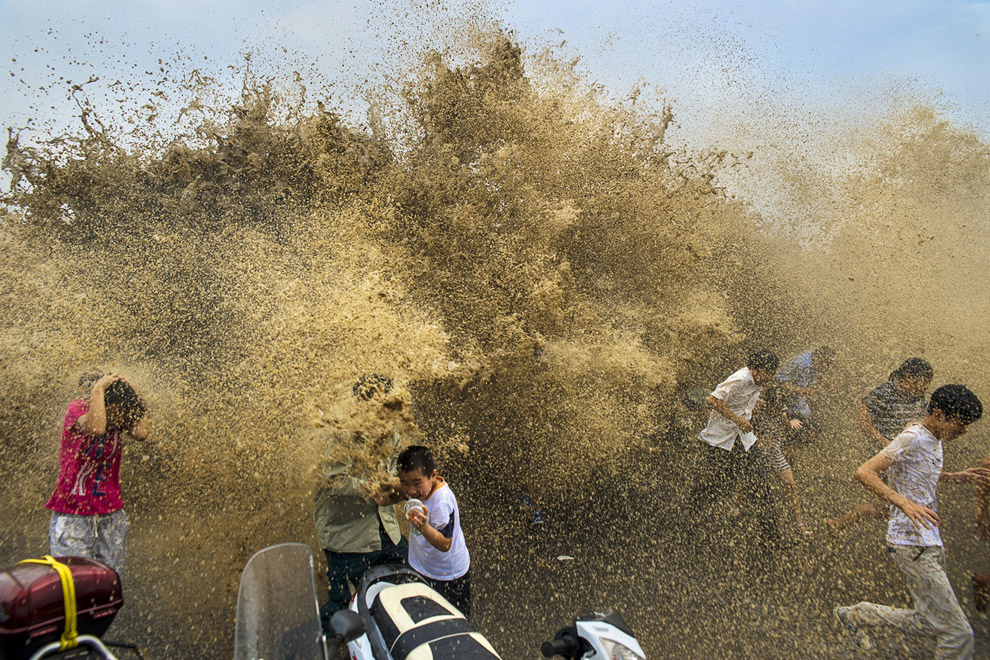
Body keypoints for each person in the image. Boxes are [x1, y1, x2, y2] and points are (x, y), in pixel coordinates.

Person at [834, 384, 989, 659]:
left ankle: (859, 615)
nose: (963, 432)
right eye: (960, 424)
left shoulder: (933, 438)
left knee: (930, 621)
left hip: (928, 542)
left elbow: (917, 471)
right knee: (958, 634)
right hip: (912, 543)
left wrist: (954, 476)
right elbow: (865, 471)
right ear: (940, 415)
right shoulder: (913, 436)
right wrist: (904, 503)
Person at [314, 375, 407, 633]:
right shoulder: (338, 436)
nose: (389, 414)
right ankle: (311, 644)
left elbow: (397, 463)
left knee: (405, 581)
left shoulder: (390, 432)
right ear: (365, 407)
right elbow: (332, 481)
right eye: (383, 408)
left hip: (386, 531)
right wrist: (374, 489)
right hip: (350, 539)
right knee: (345, 605)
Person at [45, 373, 149, 576]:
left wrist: (136, 397)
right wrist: (98, 389)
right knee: (73, 580)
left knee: (110, 580)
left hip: (110, 512)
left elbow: (141, 433)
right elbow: (96, 428)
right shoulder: (77, 410)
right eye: (118, 409)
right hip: (73, 512)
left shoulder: (119, 420)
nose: (121, 416)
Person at [824, 358, 933, 537]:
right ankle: (839, 524)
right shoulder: (884, 393)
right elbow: (862, 421)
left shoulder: (918, 397)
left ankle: (839, 524)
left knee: (892, 504)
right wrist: (886, 443)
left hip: (906, 457)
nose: (926, 387)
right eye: (924, 382)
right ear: (909, 377)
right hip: (885, 457)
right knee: (886, 505)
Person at [689, 349, 782, 550]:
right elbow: (712, 400)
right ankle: (694, 503)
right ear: (755, 370)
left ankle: (771, 538)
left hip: (744, 440)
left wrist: (753, 408)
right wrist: (738, 419)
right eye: (768, 373)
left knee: (761, 484)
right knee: (720, 484)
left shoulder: (757, 382)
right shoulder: (739, 379)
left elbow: (745, 400)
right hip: (721, 440)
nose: (770, 378)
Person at [397, 445, 472, 616]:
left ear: (432, 475)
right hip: (421, 566)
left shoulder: (441, 502)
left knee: (455, 618)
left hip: (447, 575)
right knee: (426, 613)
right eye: (404, 483)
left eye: (417, 483)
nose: (411, 491)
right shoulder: (416, 491)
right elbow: (391, 495)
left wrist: (423, 527)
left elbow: (445, 544)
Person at [751, 382, 813, 540]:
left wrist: (790, 422)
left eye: (781, 405)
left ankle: (799, 524)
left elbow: (785, 423)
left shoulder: (782, 410)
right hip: (759, 453)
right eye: (777, 406)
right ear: (769, 402)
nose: (779, 409)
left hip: (776, 453)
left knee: (791, 485)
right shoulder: (758, 408)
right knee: (751, 485)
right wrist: (759, 440)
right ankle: (736, 502)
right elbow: (750, 427)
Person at [775, 345, 835, 438]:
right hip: (786, 406)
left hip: (800, 406)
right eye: (828, 364)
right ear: (818, 360)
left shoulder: (816, 365)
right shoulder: (799, 363)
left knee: (815, 432)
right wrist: (801, 391)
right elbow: (778, 381)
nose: (829, 368)